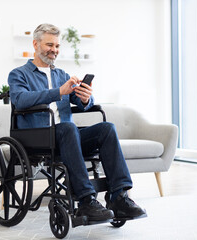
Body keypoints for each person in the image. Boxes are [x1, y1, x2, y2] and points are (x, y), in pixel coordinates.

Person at [8, 23, 146, 221]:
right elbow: (20, 100)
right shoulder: (19, 74)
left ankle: (119, 196)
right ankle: (86, 200)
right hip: (38, 136)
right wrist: (58, 92)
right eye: (49, 45)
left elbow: (83, 105)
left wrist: (85, 97)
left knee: (107, 129)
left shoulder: (61, 75)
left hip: (67, 135)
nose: (54, 50)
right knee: (68, 128)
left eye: (57, 46)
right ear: (35, 44)